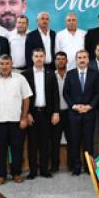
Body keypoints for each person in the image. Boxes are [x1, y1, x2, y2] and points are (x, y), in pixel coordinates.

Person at [0, 55, 32, 184]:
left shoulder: (20, 79)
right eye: (2, 64)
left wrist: (24, 118)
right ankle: (1, 175)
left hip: (16, 120)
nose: (4, 66)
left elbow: (26, 99)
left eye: (7, 64)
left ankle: (16, 173)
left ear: (12, 64)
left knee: (17, 148)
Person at [63, 50, 99, 176]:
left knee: (88, 141)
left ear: (88, 59)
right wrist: (74, 106)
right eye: (79, 57)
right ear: (76, 60)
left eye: (84, 57)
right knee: (75, 141)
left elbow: (98, 93)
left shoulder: (94, 74)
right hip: (74, 114)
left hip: (89, 113)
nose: (82, 60)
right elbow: (66, 93)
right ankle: (76, 167)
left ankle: (88, 166)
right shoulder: (70, 74)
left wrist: (89, 106)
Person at [23, 48, 60, 179]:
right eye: (36, 56)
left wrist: (56, 112)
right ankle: (33, 171)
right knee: (32, 144)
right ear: (32, 58)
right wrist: (26, 113)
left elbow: (55, 94)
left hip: (46, 113)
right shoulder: (25, 74)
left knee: (45, 143)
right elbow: (23, 96)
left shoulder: (51, 73)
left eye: (41, 56)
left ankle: (44, 170)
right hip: (32, 114)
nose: (39, 58)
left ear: (44, 58)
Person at [51, 52, 69, 172]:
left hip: (69, 112)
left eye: (63, 59)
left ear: (67, 61)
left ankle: (72, 165)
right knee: (54, 141)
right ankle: (54, 166)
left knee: (72, 140)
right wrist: (54, 112)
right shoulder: (51, 75)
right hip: (56, 113)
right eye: (58, 59)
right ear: (55, 61)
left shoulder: (72, 75)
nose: (61, 61)